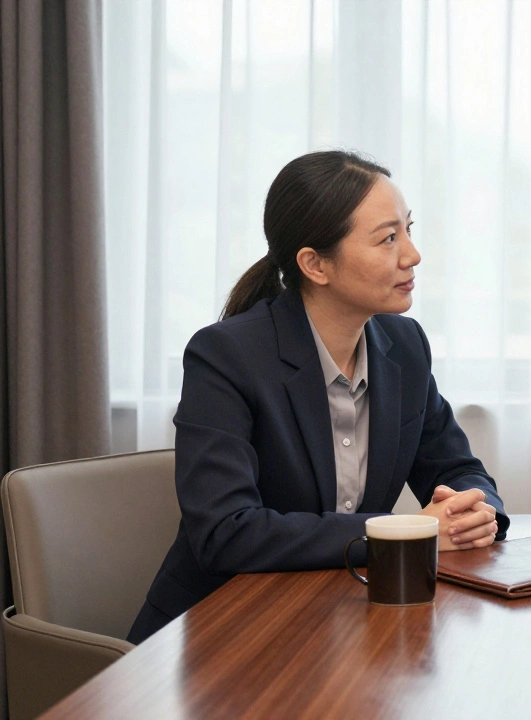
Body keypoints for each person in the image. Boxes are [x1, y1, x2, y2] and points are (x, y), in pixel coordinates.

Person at [129, 151, 508, 643]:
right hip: (218, 632)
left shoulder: (405, 347)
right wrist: (403, 532)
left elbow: (458, 468)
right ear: (315, 264)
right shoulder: (226, 356)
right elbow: (227, 533)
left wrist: (475, 512)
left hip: (333, 621)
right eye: (389, 238)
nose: (412, 255)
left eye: (409, 230)